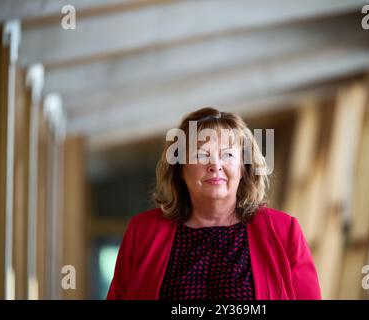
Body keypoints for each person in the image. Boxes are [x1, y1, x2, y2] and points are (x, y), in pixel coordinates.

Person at [107, 107, 321, 300]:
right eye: (201, 155)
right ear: (180, 168)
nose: (215, 165)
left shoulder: (284, 231)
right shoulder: (142, 232)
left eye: (227, 154)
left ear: (244, 167)